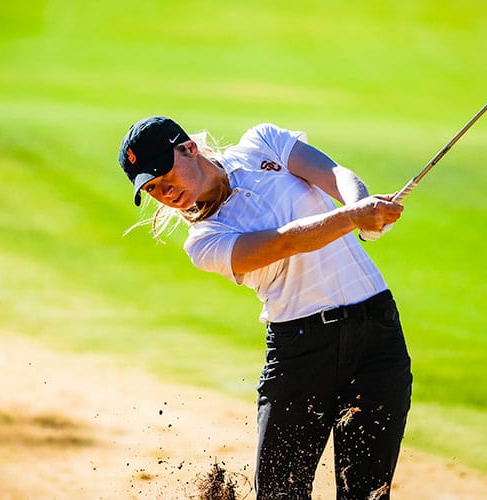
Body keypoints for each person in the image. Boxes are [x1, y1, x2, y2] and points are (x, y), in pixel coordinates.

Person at [118, 116, 412, 499]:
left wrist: (362, 206)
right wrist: (351, 217)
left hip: (378, 337)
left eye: (164, 175)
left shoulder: (263, 143)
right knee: (278, 494)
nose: (165, 192)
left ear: (188, 148)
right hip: (301, 353)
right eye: (153, 188)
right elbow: (284, 242)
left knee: (367, 493)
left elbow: (335, 174)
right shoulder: (205, 240)